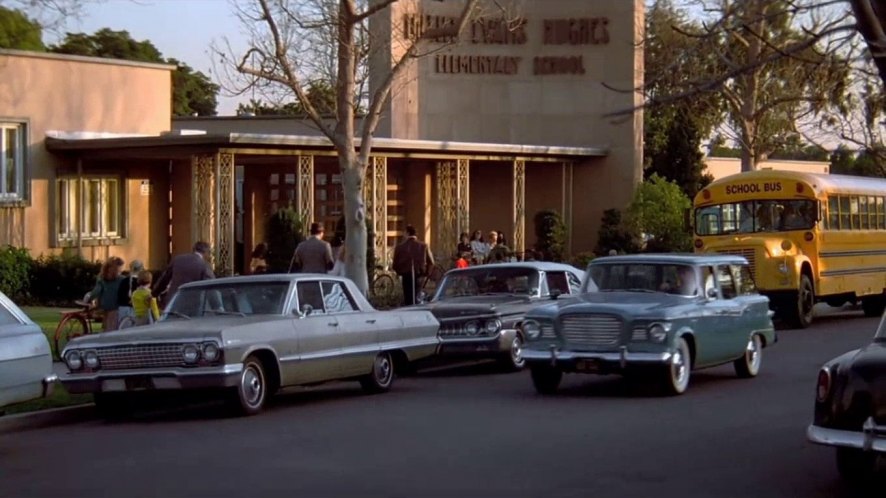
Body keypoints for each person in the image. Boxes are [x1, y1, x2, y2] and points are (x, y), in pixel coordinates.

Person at [153, 241, 215, 306]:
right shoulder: (204, 265)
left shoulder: (177, 259)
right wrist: (217, 307)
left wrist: (154, 294)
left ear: (193, 249)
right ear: (206, 252)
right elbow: (211, 286)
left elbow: (164, 279)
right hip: (192, 303)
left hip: (173, 300)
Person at [392, 225, 435, 306]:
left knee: (408, 298)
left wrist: (400, 272)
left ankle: (409, 312)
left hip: (406, 276)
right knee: (417, 297)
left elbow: (395, 265)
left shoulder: (400, 247)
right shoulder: (423, 246)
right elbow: (431, 262)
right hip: (419, 275)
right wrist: (426, 274)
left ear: (407, 233)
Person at [86, 257, 125, 332]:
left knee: (107, 324)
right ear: (114, 269)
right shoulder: (121, 279)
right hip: (114, 306)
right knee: (111, 327)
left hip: (104, 305)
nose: (120, 271)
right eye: (119, 270)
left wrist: (89, 299)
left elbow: (96, 291)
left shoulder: (101, 277)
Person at [116, 259, 144, 326]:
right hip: (136, 309)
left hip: (123, 309)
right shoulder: (141, 282)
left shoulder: (124, 281)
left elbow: (119, 296)